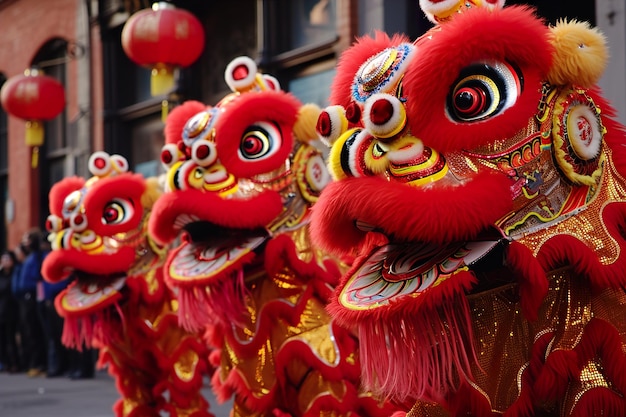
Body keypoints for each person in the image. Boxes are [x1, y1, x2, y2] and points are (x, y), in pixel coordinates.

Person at [13, 229, 47, 376]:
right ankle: (34, 363)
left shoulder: (39, 257)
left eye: (28, 240)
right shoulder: (29, 258)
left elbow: (39, 278)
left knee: (37, 331)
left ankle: (40, 364)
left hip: (34, 297)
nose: (26, 243)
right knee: (29, 332)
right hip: (24, 298)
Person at [0, 250, 20, 373]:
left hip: (12, 311)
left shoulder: (16, 273)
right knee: (2, 340)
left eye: (8, 259)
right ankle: (5, 362)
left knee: (11, 339)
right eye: (4, 259)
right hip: (1, 311)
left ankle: (15, 363)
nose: (6, 261)